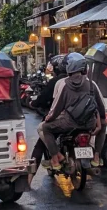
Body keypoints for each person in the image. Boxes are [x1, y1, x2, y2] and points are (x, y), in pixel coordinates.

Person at [29, 52, 102, 180]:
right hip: (89, 123)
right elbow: (99, 106)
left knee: (45, 128)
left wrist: (49, 118)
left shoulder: (64, 84)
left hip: (69, 123)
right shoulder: (91, 84)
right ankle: (96, 156)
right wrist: (100, 122)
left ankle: (56, 159)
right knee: (104, 126)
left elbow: (57, 108)